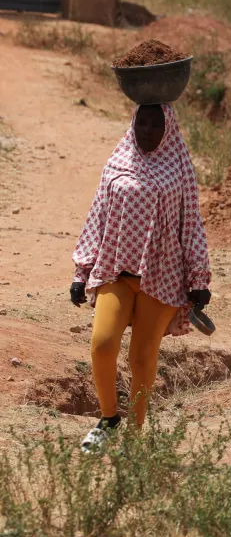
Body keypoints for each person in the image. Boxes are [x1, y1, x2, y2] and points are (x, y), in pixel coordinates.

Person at [71, 104, 211, 451]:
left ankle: (134, 433)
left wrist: (199, 280)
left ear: (169, 128)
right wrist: (81, 270)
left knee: (141, 356)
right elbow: (98, 215)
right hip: (115, 269)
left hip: (163, 276)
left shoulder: (179, 170)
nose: (147, 130)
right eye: (141, 122)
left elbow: (191, 225)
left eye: (155, 124)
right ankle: (108, 419)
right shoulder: (117, 163)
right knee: (102, 344)